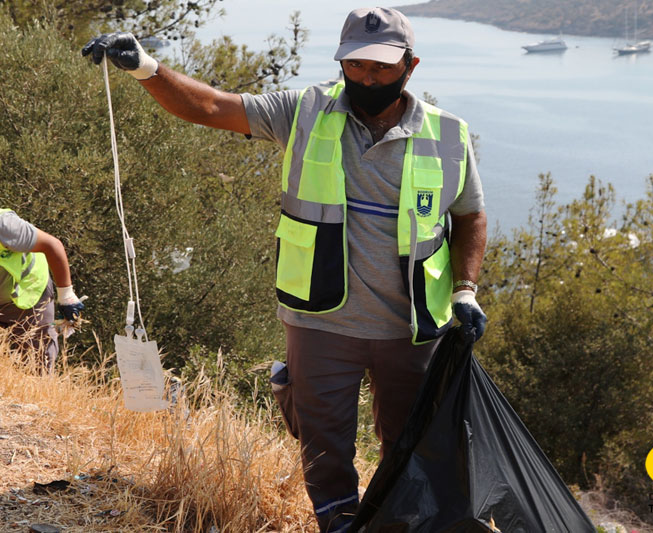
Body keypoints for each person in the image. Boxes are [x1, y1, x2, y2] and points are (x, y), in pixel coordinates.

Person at [82, 7, 487, 531]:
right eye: (357, 65)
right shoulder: (304, 110)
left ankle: (394, 523)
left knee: (411, 446)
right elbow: (208, 106)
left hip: (410, 329)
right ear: (341, 61)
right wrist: (145, 67)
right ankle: (337, 522)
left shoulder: (448, 134)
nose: (367, 77)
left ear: (411, 66)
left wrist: (466, 290)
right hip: (320, 320)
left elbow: (469, 214)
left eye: (382, 68)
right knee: (325, 448)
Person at [0, 209, 85, 373]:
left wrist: (66, 296)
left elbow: (52, 245)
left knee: (37, 366)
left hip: (28, 294)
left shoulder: (5, 225)